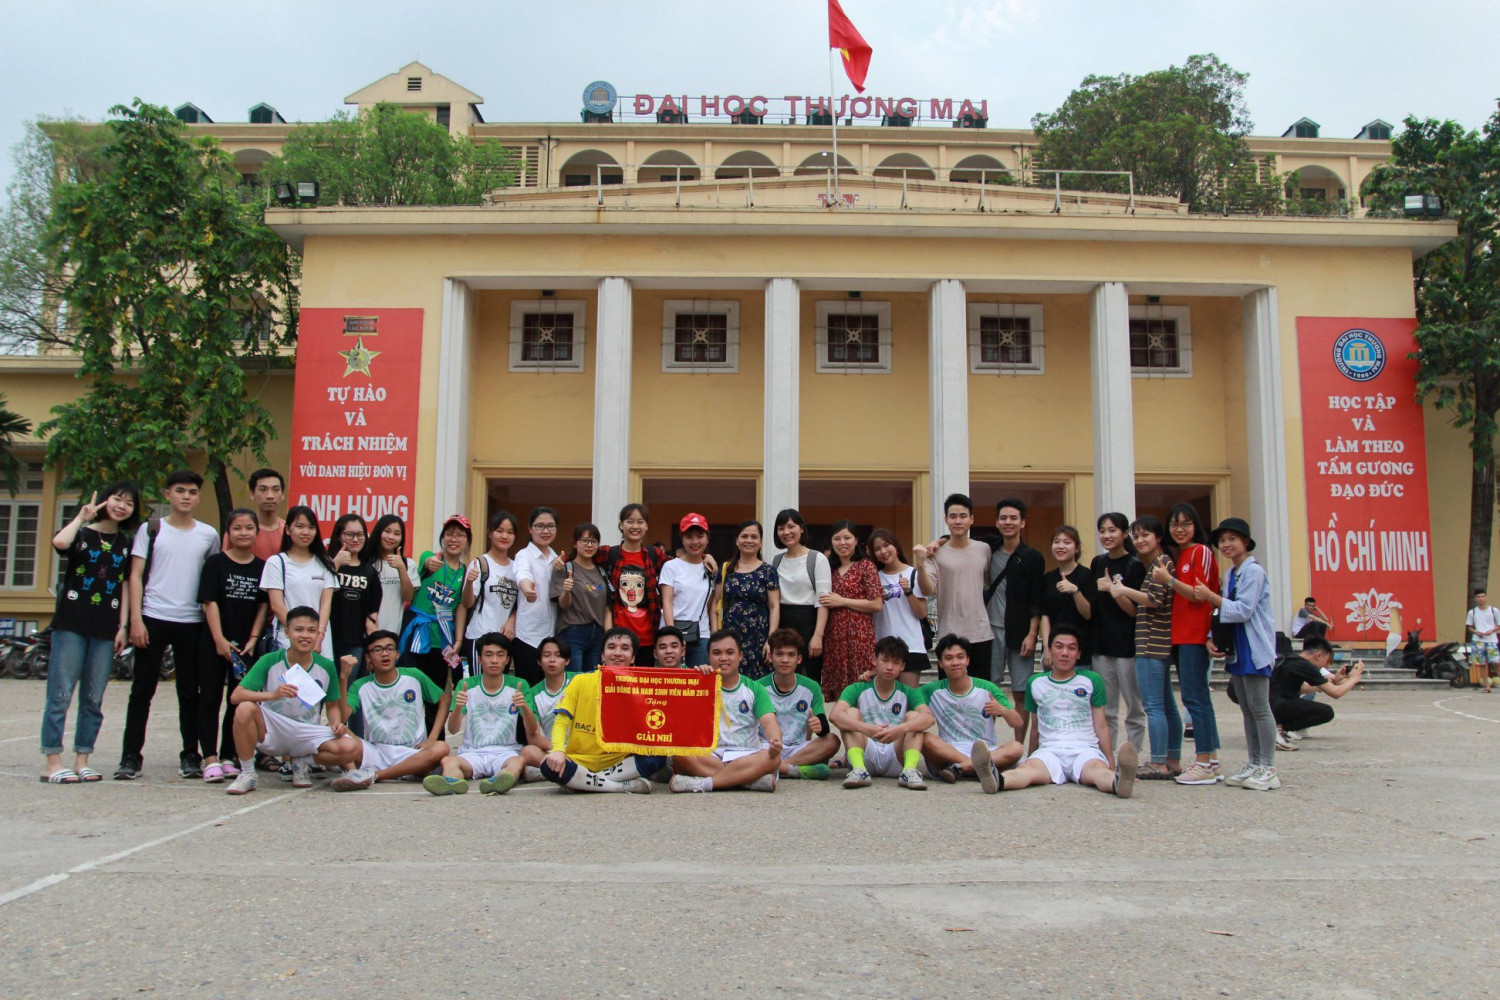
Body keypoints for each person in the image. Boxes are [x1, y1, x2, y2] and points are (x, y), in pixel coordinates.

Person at [116, 470, 223, 781]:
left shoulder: (208, 534)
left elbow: (211, 578)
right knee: (142, 691)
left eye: (192, 491)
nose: (186, 496)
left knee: (189, 693)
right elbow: (135, 575)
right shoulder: (151, 529)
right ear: (168, 495)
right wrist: (136, 619)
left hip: (192, 621)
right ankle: (130, 757)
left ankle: (190, 755)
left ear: (199, 497)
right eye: (179, 490)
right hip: (153, 617)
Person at [40, 483, 139, 784]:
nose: (122, 506)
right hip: (71, 623)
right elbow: (59, 543)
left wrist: (123, 626)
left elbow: (124, 584)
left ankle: (83, 759)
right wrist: (81, 518)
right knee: (60, 694)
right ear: (105, 501)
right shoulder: (82, 534)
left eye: (129, 503)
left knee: (94, 698)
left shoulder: (126, 543)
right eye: (117, 499)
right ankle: (53, 762)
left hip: (106, 628)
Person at [973, 625, 1139, 798]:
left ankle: (1117, 781)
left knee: (1098, 771)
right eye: (1059, 647)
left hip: (1085, 749)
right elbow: (1035, 727)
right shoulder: (1035, 683)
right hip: (1049, 750)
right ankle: (997, 780)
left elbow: (1101, 725)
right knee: (1027, 770)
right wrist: (1031, 757)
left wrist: (1111, 764)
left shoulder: (1091, 680)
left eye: (1071, 648)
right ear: (1050, 650)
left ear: (1079, 654)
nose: (1065, 653)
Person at [224, 606, 357, 795]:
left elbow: (332, 706)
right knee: (244, 709)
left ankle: (303, 761)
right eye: (299, 630)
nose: (305, 635)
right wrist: (273, 695)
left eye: (311, 630)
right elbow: (236, 696)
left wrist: (336, 723)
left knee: (351, 747)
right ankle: (247, 773)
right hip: (273, 728)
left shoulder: (326, 666)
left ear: (319, 634)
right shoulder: (270, 660)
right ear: (287, 633)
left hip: (306, 731)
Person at [1195, 517, 1279, 791]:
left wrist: (1211, 596)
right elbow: (1224, 610)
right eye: (1222, 540)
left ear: (1245, 541)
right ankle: (1254, 763)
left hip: (1254, 646)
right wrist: (1212, 636)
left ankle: (1268, 767)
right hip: (1238, 646)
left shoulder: (1254, 572)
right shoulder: (1233, 572)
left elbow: (1243, 609)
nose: (1226, 544)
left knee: (1260, 708)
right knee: (1247, 709)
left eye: (1232, 539)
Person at [539, 627, 671, 794]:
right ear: (602, 655)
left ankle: (583, 782)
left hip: (620, 763)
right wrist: (558, 750)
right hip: (580, 761)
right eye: (611, 647)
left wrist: (701, 675)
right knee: (547, 765)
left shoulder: (642, 687)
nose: (617, 653)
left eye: (625, 648)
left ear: (633, 658)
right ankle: (618, 787)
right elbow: (561, 721)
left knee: (657, 756)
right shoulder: (580, 681)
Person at [1151, 503, 1223, 786]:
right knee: (1196, 697)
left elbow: (1199, 594)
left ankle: (1203, 762)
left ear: (1196, 525)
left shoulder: (1200, 552)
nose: (1179, 529)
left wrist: (1169, 580)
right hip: (1181, 635)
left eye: (1185, 523)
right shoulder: (1181, 555)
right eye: (1174, 524)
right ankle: (1211, 761)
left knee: (1195, 699)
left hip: (1194, 635)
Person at [195, 508, 268, 783]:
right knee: (210, 698)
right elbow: (209, 602)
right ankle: (209, 758)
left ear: (256, 532)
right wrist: (219, 639)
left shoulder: (262, 567)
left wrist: (253, 639)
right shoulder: (215, 563)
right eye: (237, 528)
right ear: (228, 533)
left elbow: (263, 606)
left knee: (237, 701)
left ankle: (228, 755)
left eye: (249, 528)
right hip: (214, 643)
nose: (243, 533)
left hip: (246, 648)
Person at [331, 631, 451, 791]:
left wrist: (432, 738)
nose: (384, 654)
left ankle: (375, 776)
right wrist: (344, 677)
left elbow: (444, 700)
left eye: (389, 648)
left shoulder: (414, 676)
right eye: (377, 650)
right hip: (375, 752)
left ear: (397, 653)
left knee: (442, 748)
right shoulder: (360, 685)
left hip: (412, 752)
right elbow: (343, 717)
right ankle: (359, 772)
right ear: (368, 657)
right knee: (333, 730)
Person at [670, 629, 783, 793]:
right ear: (708, 657)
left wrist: (775, 742)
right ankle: (746, 781)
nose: (723, 658)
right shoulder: (699, 684)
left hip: (747, 755)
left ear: (740, 656)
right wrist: (696, 679)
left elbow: (769, 722)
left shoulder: (755, 689)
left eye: (730, 652)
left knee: (773, 758)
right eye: (717, 653)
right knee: (679, 752)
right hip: (711, 755)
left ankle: (706, 784)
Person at [1110, 515, 1180, 779]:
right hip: (1157, 643)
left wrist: (1122, 590)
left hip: (1152, 643)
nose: (1139, 540)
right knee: (1167, 705)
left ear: (1158, 537)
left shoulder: (1161, 564)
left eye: (1145, 535)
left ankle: (1159, 762)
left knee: (1154, 706)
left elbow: (1154, 599)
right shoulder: (1158, 563)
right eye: (1136, 536)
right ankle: (1172, 759)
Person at [425, 633, 534, 796]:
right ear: (479, 659)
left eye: (500, 655)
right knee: (449, 761)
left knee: (517, 762)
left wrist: (524, 707)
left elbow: (533, 729)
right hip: (472, 752)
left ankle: (500, 780)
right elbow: (453, 729)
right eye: (488, 655)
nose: (494, 660)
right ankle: (452, 782)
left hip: (506, 751)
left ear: (507, 660)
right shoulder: (466, 685)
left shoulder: (519, 685)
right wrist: (458, 706)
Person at [831, 636, 934, 790]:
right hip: (866, 751)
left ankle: (909, 771)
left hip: (896, 754)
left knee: (914, 717)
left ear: (902, 666)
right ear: (874, 660)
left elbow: (929, 718)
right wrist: (865, 728)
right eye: (885, 660)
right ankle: (859, 770)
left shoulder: (908, 692)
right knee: (850, 713)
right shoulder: (857, 688)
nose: (889, 667)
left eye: (896, 662)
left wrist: (900, 729)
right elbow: (835, 715)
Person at [981, 498, 1046, 744]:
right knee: (990, 689)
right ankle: (987, 743)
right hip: (990, 630)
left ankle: (1018, 746)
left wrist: (1032, 634)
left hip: (1020, 632)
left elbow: (1036, 599)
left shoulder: (1033, 557)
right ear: (997, 522)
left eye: (1013, 518)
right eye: (1004, 518)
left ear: (1023, 522)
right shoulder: (988, 549)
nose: (1008, 522)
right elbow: (957, 537)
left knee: (1021, 692)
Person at [919, 634, 1024, 784]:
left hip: (985, 750)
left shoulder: (987, 688)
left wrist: (1003, 711)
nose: (955, 663)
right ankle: (977, 768)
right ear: (940, 663)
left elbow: (1018, 723)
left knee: (1016, 747)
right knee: (924, 739)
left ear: (968, 660)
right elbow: (908, 701)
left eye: (960, 657)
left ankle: (961, 768)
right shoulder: (931, 691)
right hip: (949, 752)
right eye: (949, 658)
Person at [914, 493, 994, 681]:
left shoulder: (984, 549)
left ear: (971, 519)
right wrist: (920, 565)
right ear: (946, 520)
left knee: (981, 691)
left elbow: (989, 580)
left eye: (963, 516)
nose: (958, 521)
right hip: (949, 633)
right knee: (949, 692)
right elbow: (927, 590)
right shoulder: (935, 553)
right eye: (953, 516)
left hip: (981, 633)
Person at [401, 514, 470, 726]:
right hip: (416, 633)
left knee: (437, 690)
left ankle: (434, 735)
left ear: (467, 540)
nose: (454, 539)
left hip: (442, 639)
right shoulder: (431, 558)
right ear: (442, 537)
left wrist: (458, 641)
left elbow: (461, 607)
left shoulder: (465, 572)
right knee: (409, 686)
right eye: (449, 534)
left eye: (460, 535)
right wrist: (428, 563)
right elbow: (426, 563)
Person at [1089, 512, 1145, 756]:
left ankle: (1133, 753)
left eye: (1112, 530)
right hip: (1101, 644)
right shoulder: (1097, 563)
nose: (1106, 535)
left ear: (1124, 534)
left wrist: (1113, 589)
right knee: (1107, 707)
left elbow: (1133, 611)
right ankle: (1107, 754)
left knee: (1134, 706)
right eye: (1102, 531)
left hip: (1127, 646)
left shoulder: (1135, 565)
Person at [596, 503, 670, 665]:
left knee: (644, 680)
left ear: (646, 526)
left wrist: (704, 556)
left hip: (647, 638)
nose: (635, 526)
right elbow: (581, 558)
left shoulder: (654, 555)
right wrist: (560, 562)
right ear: (621, 525)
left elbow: (679, 567)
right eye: (629, 521)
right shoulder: (608, 554)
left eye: (640, 522)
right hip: (618, 640)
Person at [818, 519, 883, 703]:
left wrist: (843, 601)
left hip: (859, 635)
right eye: (837, 538)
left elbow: (877, 604)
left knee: (862, 689)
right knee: (840, 695)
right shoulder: (828, 569)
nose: (842, 543)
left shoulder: (866, 566)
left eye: (847, 538)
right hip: (834, 636)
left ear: (856, 540)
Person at [761, 629, 838, 779]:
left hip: (798, 748)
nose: (785, 660)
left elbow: (823, 726)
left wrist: (820, 726)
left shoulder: (812, 687)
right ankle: (793, 770)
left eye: (791, 655)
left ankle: (778, 768)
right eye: (779, 654)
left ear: (799, 659)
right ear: (770, 657)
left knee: (832, 741)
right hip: (767, 748)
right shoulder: (758, 687)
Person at [713, 519, 780, 679]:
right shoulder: (725, 569)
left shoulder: (768, 571)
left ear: (760, 542)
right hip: (729, 637)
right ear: (737, 540)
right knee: (729, 680)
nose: (749, 540)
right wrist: (715, 636)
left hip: (759, 638)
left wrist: (771, 640)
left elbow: (774, 606)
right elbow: (715, 604)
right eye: (744, 536)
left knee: (757, 683)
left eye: (754, 537)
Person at [771, 508, 832, 684]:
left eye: (791, 526)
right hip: (783, 624)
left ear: (802, 528)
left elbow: (823, 600)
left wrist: (818, 635)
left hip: (809, 623)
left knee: (809, 679)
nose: (786, 532)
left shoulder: (817, 558)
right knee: (783, 677)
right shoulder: (776, 561)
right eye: (781, 528)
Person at [327, 513, 381, 705]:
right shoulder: (327, 564)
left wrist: (372, 649)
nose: (355, 539)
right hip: (326, 640)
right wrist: (336, 563)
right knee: (321, 695)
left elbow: (372, 616)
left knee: (348, 697)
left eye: (360, 534)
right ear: (339, 536)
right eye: (349, 534)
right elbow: (316, 594)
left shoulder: (369, 572)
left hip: (355, 642)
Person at [457, 511, 520, 667]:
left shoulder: (517, 568)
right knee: (479, 681)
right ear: (490, 533)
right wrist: (469, 582)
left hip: (504, 640)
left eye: (510, 532)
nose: (505, 536)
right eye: (499, 531)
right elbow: (467, 603)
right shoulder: (480, 564)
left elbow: (519, 604)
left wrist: (511, 621)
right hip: (480, 637)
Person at [1268, 637, 1364, 739]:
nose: (1326, 666)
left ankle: (1278, 727)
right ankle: (1280, 728)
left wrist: (1334, 681)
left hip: (1269, 705)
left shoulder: (1292, 660)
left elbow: (1301, 688)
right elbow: (1336, 693)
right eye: (1326, 661)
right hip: (1275, 707)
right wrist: (1354, 678)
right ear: (1318, 656)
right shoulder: (1305, 665)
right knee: (1326, 712)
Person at [868, 529, 930, 687]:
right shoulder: (874, 577)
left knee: (909, 697)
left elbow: (922, 612)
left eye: (886, 545)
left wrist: (908, 591)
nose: (883, 551)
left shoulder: (913, 573)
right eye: (877, 549)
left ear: (895, 546)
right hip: (883, 646)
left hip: (911, 645)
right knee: (885, 698)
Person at [551, 522, 609, 673]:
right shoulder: (565, 568)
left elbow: (607, 606)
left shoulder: (602, 572)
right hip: (573, 632)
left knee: (592, 680)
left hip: (597, 634)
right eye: (584, 540)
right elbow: (563, 605)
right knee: (574, 679)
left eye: (593, 541)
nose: (589, 545)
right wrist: (566, 591)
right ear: (575, 543)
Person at [660, 513, 716, 668]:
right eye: (689, 537)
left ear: (707, 538)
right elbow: (667, 601)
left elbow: (711, 605)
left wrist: (714, 634)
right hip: (673, 633)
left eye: (700, 536)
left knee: (699, 679)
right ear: (682, 539)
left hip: (701, 635)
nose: (695, 542)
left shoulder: (711, 567)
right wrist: (673, 635)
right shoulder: (671, 566)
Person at [512, 506, 560, 685]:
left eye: (550, 526)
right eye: (540, 526)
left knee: (548, 689)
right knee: (528, 689)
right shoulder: (523, 555)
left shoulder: (556, 558)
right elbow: (522, 575)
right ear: (530, 529)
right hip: (528, 636)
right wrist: (527, 590)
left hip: (551, 635)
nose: (545, 531)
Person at [520, 636, 579, 780]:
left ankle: (547, 773)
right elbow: (532, 736)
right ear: (539, 661)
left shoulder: (578, 680)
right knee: (528, 752)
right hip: (552, 749)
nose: (552, 660)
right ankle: (565, 770)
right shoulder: (532, 694)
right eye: (547, 655)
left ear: (567, 660)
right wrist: (559, 749)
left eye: (558, 655)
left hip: (580, 747)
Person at [1038, 525, 1095, 668]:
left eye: (1067, 542)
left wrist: (1075, 590)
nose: (1060, 546)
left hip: (1080, 651)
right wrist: (1047, 647)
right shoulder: (1048, 578)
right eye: (1056, 542)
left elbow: (1088, 613)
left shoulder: (1087, 575)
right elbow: (1045, 615)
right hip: (1054, 650)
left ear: (1077, 548)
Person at [362, 514, 417, 635]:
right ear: (379, 532)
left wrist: (401, 568)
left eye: (397, 533)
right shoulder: (366, 563)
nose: (391, 537)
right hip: (366, 631)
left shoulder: (408, 564)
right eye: (387, 531)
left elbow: (408, 597)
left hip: (393, 633)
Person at [241, 468, 286, 560]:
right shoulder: (240, 531)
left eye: (276, 489)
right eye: (263, 489)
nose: (270, 496)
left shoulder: (289, 532)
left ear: (282, 495)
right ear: (252, 494)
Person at [1465, 590, 1497, 694]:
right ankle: (1487, 686)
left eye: (1483, 596)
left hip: (1491, 640)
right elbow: (1470, 627)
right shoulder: (1472, 612)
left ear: (1486, 597)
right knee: (1481, 664)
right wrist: (1476, 632)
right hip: (1478, 640)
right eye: (1478, 597)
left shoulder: (1493, 611)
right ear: (1475, 599)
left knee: (1496, 662)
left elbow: (1498, 625)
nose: (1481, 599)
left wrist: (1491, 631)